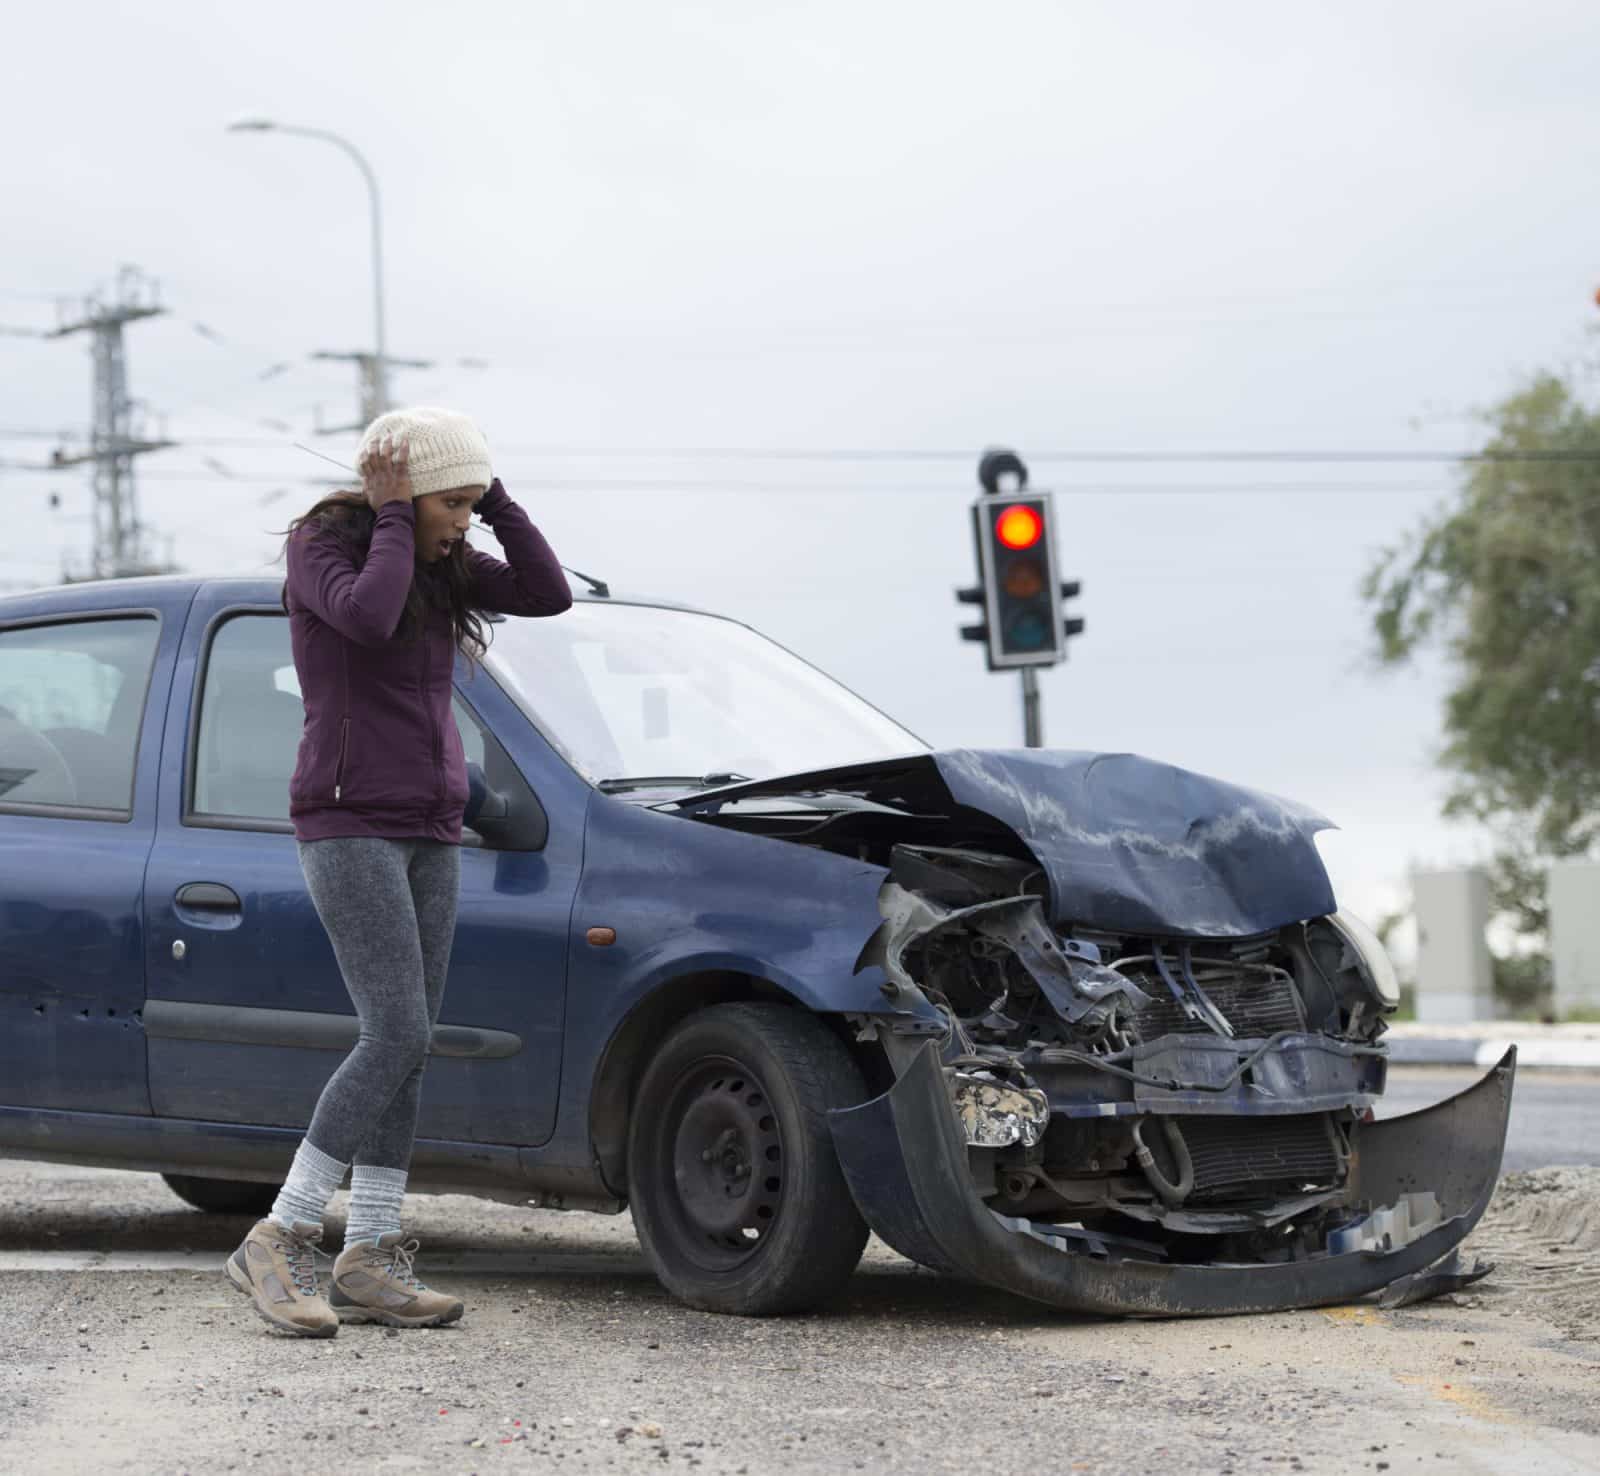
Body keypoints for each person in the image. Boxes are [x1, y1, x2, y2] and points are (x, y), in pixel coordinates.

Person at [225, 406, 572, 1337]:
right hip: (346, 819)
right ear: (403, 495)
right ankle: (282, 1234)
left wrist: (495, 499)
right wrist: (391, 515)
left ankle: (371, 1255)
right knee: (396, 1029)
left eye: (471, 504)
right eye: (451, 503)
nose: (461, 522)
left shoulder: (441, 558)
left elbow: (549, 595)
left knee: (411, 1041)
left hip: (429, 821)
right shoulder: (324, 549)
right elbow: (369, 621)